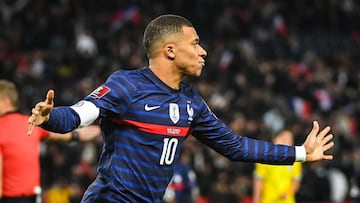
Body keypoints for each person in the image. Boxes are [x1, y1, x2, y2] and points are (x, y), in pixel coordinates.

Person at [27, 14, 334, 203]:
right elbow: (79, 115)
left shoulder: (192, 104)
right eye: (196, 43)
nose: (203, 51)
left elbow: (236, 146)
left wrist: (301, 153)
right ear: (170, 50)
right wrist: (50, 117)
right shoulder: (127, 86)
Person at [0, 79, 100, 203]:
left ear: (5, 101)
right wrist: (102, 130)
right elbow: (75, 135)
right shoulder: (31, 123)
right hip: (33, 198)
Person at [252, 130, 302, 203]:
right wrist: (256, 200)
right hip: (268, 200)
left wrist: (288, 192)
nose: (287, 142)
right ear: (275, 139)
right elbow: (258, 182)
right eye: (284, 139)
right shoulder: (264, 158)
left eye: (290, 140)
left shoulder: (295, 160)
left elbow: (296, 181)